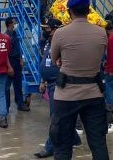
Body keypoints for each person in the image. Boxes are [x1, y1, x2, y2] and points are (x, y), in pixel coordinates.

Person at [50, 0, 109, 160]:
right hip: (94, 93)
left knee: (62, 145)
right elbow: (99, 56)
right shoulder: (101, 33)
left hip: (66, 95)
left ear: (69, 12)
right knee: (98, 143)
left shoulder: (60, 33)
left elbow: (55, 59)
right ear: (88, 10)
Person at [34, 18, 82, 158]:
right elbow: (45, 61)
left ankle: (50, 147)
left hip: (59, 84)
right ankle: (74, 139)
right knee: (61, 116)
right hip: (49, 83)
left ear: (55, 29)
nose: (45, 31)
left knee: (55, 118)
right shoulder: (48, 42)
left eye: (48, 29)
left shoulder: (63, 43)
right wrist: (42, 80)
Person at [5, 17, 29, 112]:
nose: (16, 23)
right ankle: (6, 106)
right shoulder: (6, 36)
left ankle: (20, 104)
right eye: (14, 22)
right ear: (10, 24)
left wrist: (21, 60)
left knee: (18, 84)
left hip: (17, 62)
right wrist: (9, 67)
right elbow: (5, 53)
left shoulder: (15, 34)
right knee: (7, 86)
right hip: (9, 63)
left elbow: (17, 49)